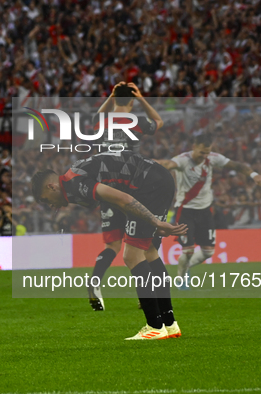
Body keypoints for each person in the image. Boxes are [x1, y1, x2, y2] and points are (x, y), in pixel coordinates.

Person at [31, 151, 187, 340]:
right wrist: (152, 221)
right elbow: (118, 198)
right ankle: (170, 324)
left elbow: (124, 198)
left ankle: (155, 326)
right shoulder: (74, 180)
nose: (51, 206)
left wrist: (154, 222)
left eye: (46, 199)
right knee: (149, 252)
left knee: (132, 256)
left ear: (51, 186)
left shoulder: (75, 183)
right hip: (158, 179)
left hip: (148, 184)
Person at [88, 82, 164, 311]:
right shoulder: (137, 121)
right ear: (131, 101)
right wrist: (142, 99)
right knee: (144, 245)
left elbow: (95, 119)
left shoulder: (102, 122)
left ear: (114, 99)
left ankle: (94, 282)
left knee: (112, 244)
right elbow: (159, 122)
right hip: (132, 187)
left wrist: (110, 97)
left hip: (106, 187)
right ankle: (150, 296)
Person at [156, 133, 261, 288]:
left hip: (205, 210)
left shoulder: (213, 158)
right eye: (202, 152)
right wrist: (151, 165)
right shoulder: (183, 160)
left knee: (208, 252)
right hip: (185, 210)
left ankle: (186, 269)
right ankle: (181, 278)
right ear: (194, 147)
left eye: (207, 152)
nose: (204, 156)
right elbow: (167, 164)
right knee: (188, 251)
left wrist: (254, 175)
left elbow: (237, 166)